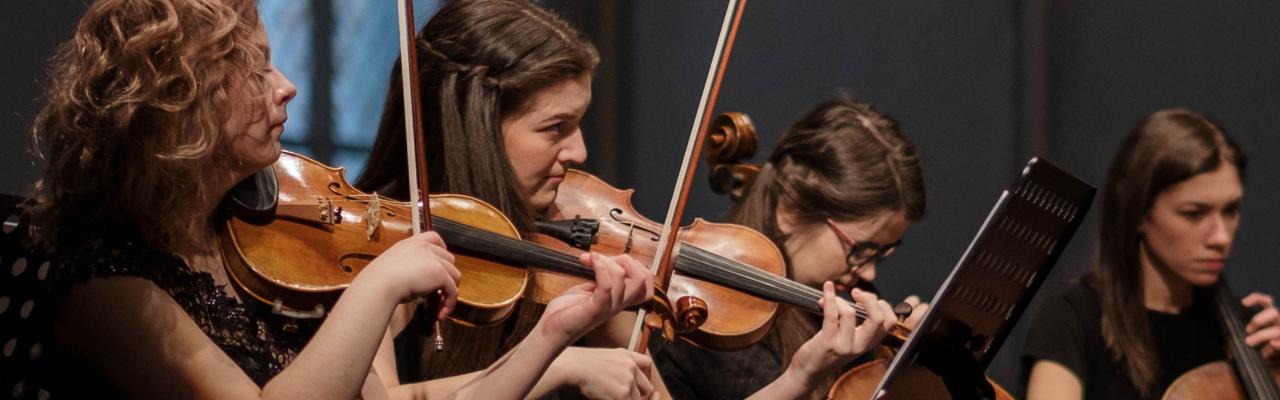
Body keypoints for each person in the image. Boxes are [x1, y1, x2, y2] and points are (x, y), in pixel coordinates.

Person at [23, 0, 650, 398]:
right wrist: (377, 287)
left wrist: (553, 338)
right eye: (257, 69)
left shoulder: (255, 249)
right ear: (181, 104)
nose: (287, 87)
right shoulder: (111, 288)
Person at [355, 1, 900, 398]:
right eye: (555, 127)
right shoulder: (374, 245)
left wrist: (803, 375)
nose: (581, 150)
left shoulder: (571, 256)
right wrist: (555, 362)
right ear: (474, 125)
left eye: (581, 123)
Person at [648, 96, 931, 400]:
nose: (869, 271)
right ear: (790, 210)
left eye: (882, 252)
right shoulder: (705, 324)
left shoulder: (839, 300)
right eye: (861, 249)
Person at [1022, 108, 1280, 399]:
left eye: (1231, 210)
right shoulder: (1072, 319)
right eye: (1194, 213)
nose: (1220, 237)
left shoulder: (1245, 335)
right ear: (1139, 212)